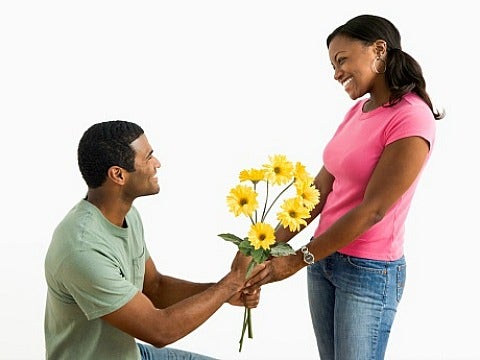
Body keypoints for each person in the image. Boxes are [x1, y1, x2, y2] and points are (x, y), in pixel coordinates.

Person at [245, 14, 445, 359]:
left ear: (378, 50)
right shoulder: (359, 111)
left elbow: (374, 210)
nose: (336, 72)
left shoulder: (411, 118)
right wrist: (267, 246)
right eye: (333, 64)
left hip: (368, 271)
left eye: (342, 60)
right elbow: (321, 187)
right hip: (323, 260)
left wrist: (296, 261)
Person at [44, 120, 264, 360]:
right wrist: (232, 282)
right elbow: (160, 330)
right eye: (148, 157)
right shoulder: (82, 249)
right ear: (118, 174)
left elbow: (154, 287)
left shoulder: (127, 215)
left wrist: (222, 293)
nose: (157, 164)